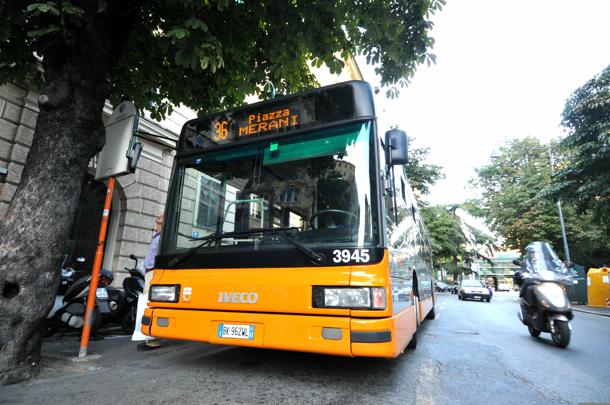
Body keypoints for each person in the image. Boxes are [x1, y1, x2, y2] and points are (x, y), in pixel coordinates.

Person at [133, 213, 163, 351]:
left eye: (158, 223)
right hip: (149, 271)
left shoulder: (162, 238)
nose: (156, 225)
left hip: (154, 272)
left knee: (149, 303)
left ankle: (152, 339)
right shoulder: (156, 236)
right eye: (156, 223)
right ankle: (149, 337)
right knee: (147, 302)